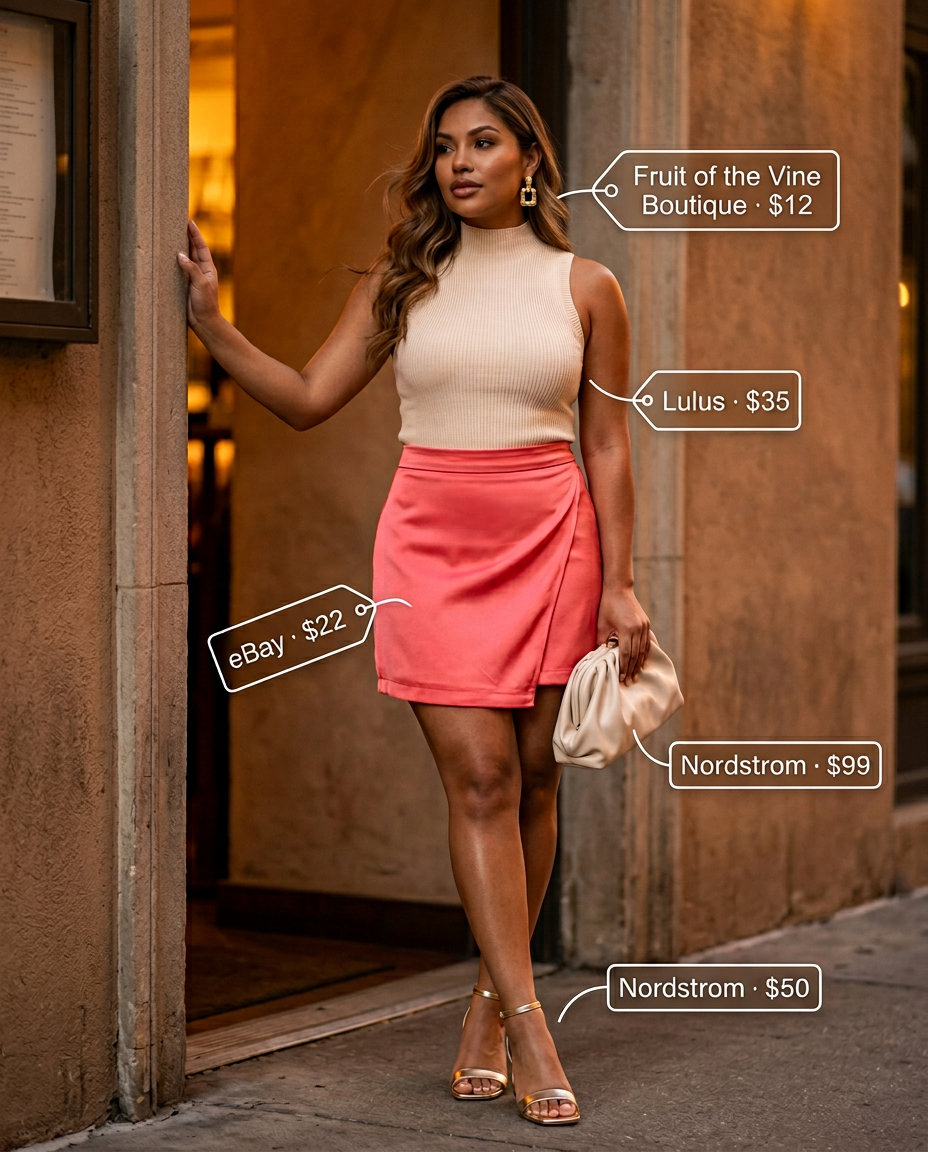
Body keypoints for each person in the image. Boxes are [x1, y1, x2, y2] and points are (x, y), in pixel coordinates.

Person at [178, 74, 650, 1128]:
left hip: (553, 538)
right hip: (431, 542)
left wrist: (620, 582)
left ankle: (490, 1000)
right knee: (478, 778)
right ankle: (532, 1023)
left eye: (483, 143)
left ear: (529, 160)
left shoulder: (588, 287)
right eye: (444, 148)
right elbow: (304, 398)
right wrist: (210, 325)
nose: (460, 164)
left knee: (533, 775)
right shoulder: (403, 278)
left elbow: (609, 441)